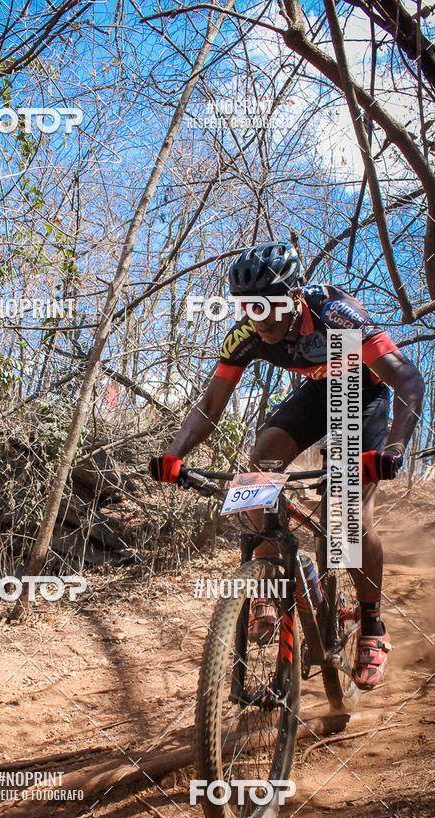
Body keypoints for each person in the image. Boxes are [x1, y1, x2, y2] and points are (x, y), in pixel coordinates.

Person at [149, 241, 424, 690]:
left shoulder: (337, 315)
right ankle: (274, 575)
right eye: (252, 308)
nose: (263, 319)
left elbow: (408, 378)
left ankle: (373, 624)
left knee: (349, 518)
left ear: (295, 296)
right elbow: (209, 407)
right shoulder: (246, 335)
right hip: (320, 393)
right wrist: (174, 455)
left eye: (272, 307)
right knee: (260, 462)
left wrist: (393, 448)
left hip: (364, 398)